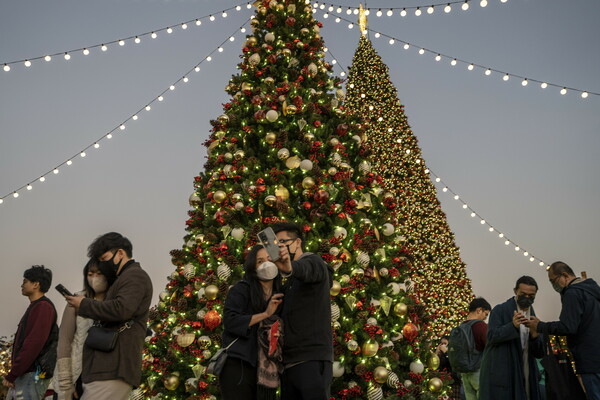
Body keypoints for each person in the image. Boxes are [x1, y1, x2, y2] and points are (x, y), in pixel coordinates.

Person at [65, 232, 152, 400]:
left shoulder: (135, 275)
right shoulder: (124, 278)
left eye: (104, 259)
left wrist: (83, 304)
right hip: (106, 368)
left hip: (113, 367)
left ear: (120, 253)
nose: (102, 265)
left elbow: (121, 309)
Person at [271, 222, 334, 400]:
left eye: (283, 242)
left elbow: (306, 269)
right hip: (289, 363)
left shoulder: (313, 262)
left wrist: (290, 268)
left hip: (311, 359)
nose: (280, 248)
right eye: (276, 244)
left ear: (298, 242)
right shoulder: (287, 282)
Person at [526, 261, 600, 400]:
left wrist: (540, 326)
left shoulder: (573, 293)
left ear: (564, 275)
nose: (553, 285)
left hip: (590, 360)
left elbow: (568, 326)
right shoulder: (592, 291)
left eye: (553, 281)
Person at [220, 245, 284, 400]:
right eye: (260, 261)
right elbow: (230, 321)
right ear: (253, 267)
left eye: (270, 259)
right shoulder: (242, 289)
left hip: (265, 369)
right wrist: (265, 314)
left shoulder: (281, 294)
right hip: (239, 365)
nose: (266, 264)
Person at [51, 259, 116, 400]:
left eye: (100, 273)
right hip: (75, 374)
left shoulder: (115, 305)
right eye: (90, 273)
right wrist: (66, 383)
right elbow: (64, 341)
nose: (94, 278)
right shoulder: (75, 301)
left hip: (101, 377)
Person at [479, 276, 544, 400]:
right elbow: (492, 336)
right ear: (515, 291)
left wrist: (535, 335)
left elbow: (539, 352)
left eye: (531, 296)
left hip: (527, 368)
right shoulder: (500, 310)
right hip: (505, 372)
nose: (527, 298)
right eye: (523, 294)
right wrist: (512, 326)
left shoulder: (532, 315)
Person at [2, 265, 59, 400]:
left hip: (33, 375)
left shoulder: (43, 307)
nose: (22, 285)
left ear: (36, 284)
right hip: (25, 374)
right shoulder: (36, 307)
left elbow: (33, 344)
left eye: (25, 281)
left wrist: (12, 374)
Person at [449, 297, 491, 400]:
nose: (485, 318)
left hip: (464, 373)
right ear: (479, 310)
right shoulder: (481, 326)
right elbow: (490, 347)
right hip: (478, 371)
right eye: (485, 314)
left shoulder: (462, 326)